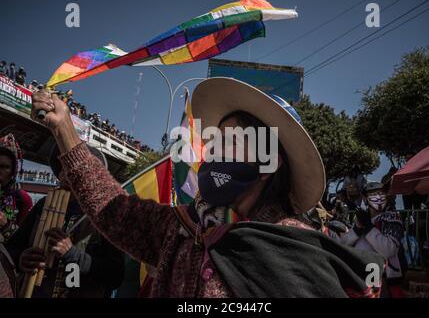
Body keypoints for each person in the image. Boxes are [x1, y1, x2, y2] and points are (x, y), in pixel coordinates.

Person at [31, 78, 385, 298]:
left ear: (269, 163)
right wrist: (65, 132)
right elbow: (113, 210)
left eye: (234, 141)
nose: (214, 151)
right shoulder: (181, 230)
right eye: (214, 141)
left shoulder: (295, 249)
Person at [6, 144, 125, 298]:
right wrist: (21, 258)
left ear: (92, 175)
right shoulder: (43, 205)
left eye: (75, 167)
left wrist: (73, 254)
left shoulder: (107, 215)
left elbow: (116, 276)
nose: (66, 173)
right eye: (63, 166)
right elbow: (11, 250)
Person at [335, 181, 405, 297]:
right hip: (360, 277)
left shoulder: (392, 216)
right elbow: (343, 245)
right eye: (373, 194)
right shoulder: (361, 219)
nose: (378, 197)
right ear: (365, 198)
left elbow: (389, 249)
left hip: (382, 280)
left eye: (381, 193)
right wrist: (357, 229)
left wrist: (368, 227)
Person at [0, 134, 33, 243]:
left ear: (13, 171)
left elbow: (23, 242)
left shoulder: (22, 199)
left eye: (5, 167)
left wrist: (6, 226)